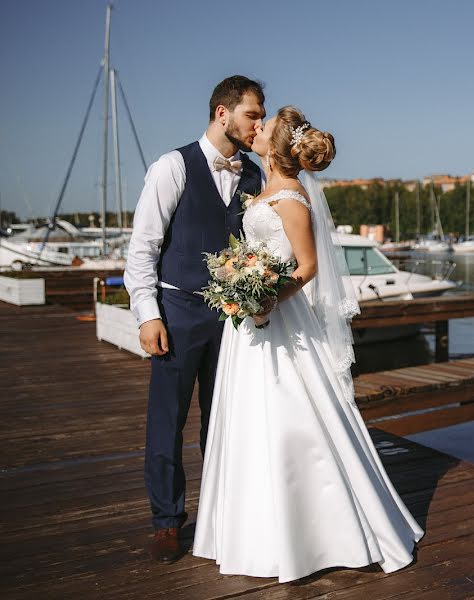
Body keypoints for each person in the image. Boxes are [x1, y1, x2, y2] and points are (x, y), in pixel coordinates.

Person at [192, 106, 424, 583]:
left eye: (264, 127)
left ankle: (313, 533)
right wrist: (240, 281)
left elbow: (307, 265)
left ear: (275, 149)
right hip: (253, 324)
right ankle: (249, 530)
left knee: (289, 415)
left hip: (279, 318)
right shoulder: (268, 191)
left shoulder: (292, 198)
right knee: (250, 416)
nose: (255, 130)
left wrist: (265, 300)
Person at [124, 76, 265, 563]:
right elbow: (142, 247)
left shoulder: (254, 176)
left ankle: (221, 513)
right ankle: (167, 521)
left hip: (233, 319)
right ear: (223, 113)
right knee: (167, 422)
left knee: (224, 421)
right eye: (253, 114)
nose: (259, 125)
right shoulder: (172, 166)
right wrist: (147, 315)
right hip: (178, 311)